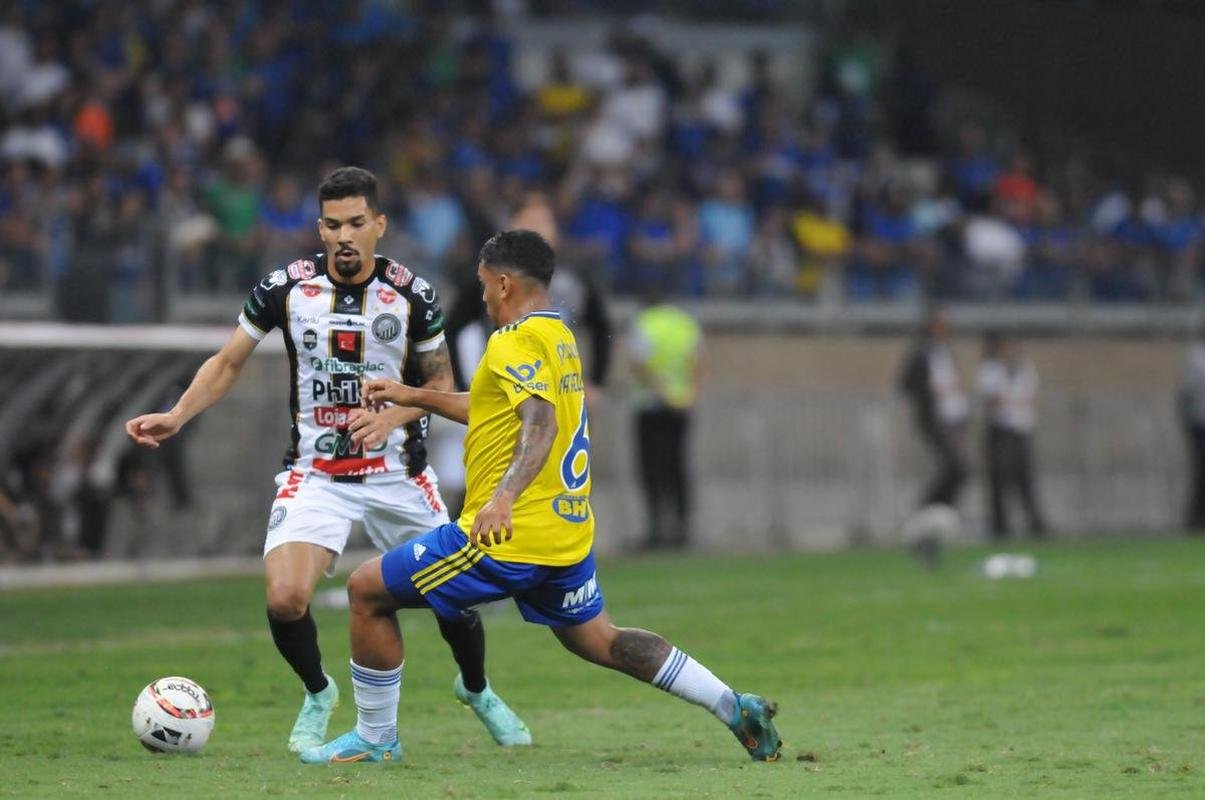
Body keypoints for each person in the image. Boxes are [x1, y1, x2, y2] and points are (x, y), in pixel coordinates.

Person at [299, 229, 781, 765]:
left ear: (503, 283)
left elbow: (539, 420)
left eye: (484, 286)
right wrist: (414, 396)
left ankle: (375, 738)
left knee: (366, 591)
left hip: (509, 536)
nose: (481, 296)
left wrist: (501, 499)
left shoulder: (510, 342)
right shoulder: (558, 337)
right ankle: (733, 706)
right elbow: (496, 406)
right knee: (599, 639)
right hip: (566, 532)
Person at [125, 167, 529, 754]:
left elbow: (440, 384)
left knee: (458, 597)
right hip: (316, 475)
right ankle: (318, 692)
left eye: (357, 223)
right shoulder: (284, 288)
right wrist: (177, 414)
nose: (344, 235)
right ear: (320, 228)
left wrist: (395, 416)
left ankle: (476, 687)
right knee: (285, 599)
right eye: (333, 224)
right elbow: (229, 361)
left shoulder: (413, 295)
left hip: (399, 476)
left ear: (379, 226)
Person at [628, 286, 703, 550]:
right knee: (678, 468)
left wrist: (661, 389)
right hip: (681, 404)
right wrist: (686, 393)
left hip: (651, 405)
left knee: (652, 471)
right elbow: (695, 362)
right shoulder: (685, 324)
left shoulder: (645, 323)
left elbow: (639, 364)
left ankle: (656, 531)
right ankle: (682, 530)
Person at [977, 334, 1047, 539]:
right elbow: (993, 399)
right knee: (1000, 478)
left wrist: (1011, 400)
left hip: (1022, 427)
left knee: (1025, 477)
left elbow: (1032, 398)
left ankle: (1034, 522)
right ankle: (1000, 525)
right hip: (1001, 429)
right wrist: (1015, 400)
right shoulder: (990, 369)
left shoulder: (1025, 368)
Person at [899, 310, 969, 509]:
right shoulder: (921, 355)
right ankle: (928, 509)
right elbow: (906, 384)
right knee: (950, 468)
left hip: (955, 419)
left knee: (960, 469)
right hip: (935, 421)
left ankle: (943, 510)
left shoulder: (948, 354)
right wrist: (929, 388)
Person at [1178, 330, 1205, 533]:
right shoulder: (1196, 358)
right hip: (1200, 423)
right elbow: (1186, 391)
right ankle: (1195, 519)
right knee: (1201, 472)